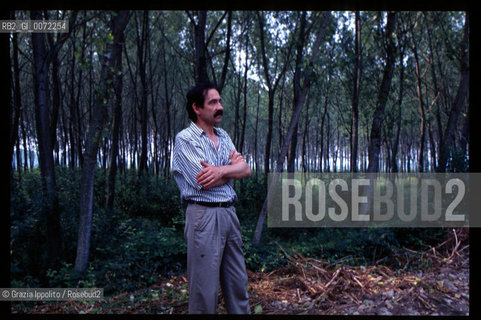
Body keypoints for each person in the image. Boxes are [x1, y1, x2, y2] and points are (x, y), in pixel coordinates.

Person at [172, 82, 251, 314]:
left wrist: (220, 171)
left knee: (237, 284)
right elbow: (203, 181)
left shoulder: (223, 135)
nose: (220, 107)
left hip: (229, 214)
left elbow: (245, 170)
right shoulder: (185, 139)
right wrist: (230, 169)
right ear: (197, 108)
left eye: (219, 101)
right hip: (203, 216)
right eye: (213, 103)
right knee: (204, 291)